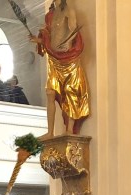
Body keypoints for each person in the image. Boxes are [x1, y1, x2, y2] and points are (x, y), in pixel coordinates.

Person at [30, 0, 89, 137]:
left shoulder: (69, 11)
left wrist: (68, 42)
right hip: (54, 59)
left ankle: (69, 130)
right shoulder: (50, 15)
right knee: (50, 92)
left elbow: (73, 29)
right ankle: (50, 132)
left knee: (70, 92)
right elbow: (50, 36)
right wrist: (38, 40)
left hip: (69, 59)